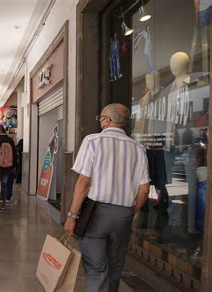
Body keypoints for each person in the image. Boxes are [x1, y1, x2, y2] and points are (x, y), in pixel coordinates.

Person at [64, 103, 150, 292]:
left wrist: (72, 216)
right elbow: (144, 190)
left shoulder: (92, 141)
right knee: (115, 268)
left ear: (106, 120)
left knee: (96, 269)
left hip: (96, 214)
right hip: (124, 215)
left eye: (100, 118)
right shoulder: (138, 148)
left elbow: (83, 182)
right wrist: (130, 211)